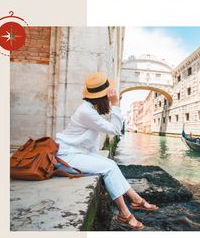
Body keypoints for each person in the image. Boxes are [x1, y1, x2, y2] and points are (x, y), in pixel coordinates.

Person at [56, 72, 158, 230]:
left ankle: (136, 200)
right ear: (102, 96)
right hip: (65, 157)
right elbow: (116, 130)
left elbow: (92, 142)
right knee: (109, 167)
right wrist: (116, 104)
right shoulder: (86, 112)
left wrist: (98, 162)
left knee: (109, 164)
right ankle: (125, 213)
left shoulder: (90, 109)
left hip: (76, 153)